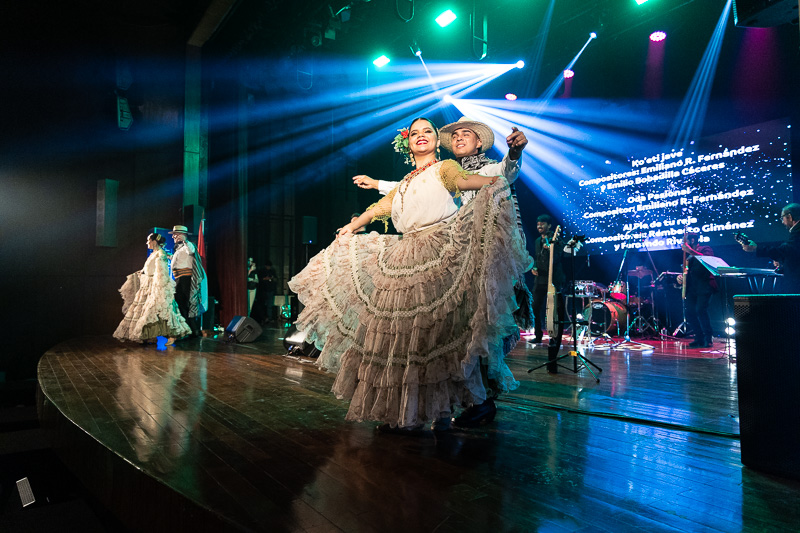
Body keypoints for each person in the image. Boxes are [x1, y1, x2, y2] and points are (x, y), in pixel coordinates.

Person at [288, 117, 532, 434]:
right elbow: (381, 206)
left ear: (434, 140)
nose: (420, 136)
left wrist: (499, 179)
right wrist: (353, 225)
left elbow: (473, 180)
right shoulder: (405, 181)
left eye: (427, 131)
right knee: (403, 340)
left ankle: (477, 400)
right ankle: (406, 412)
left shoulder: (446, 169)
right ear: (407, 143)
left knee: (444, 333)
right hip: (404, 255)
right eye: (414, 133)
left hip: (440, 251)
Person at [114, 233, 191, 344]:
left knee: (161, 310)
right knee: (147, 312)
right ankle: (150, 335)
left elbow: (162, 273)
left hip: (156, 286)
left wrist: (159, 289)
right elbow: (149, 268)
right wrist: (142, 272)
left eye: (149, 241)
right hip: (148, 285)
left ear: (154, 241)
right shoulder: (154, 253)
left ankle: (172, 335)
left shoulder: (161, 254)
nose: (147, 243)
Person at [530, 214, 566, 373]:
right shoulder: (538, 241)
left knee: (555, 313)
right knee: (534, 306)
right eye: (538, 224)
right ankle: (538, 335)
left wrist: (550, 248)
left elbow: (559, 257)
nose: (539, 226)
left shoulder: (556, 238)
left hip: (554, 279)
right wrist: (534, 267)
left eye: (542, 224)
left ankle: (554, 339)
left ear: (549, 226)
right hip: (540, 280)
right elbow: (537, 257)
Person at [742, 203, 800, 293]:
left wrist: (756, 249)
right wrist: (780, 259)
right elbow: (792, 252)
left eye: (782, 218)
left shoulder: (798, 231)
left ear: (790, 217)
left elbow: (787, 250)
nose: (782, 222)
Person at [678, 231, 716, 348]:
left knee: (701, 310)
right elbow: (687, 270)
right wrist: (681, 277)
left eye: (685, 241)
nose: (682, 244)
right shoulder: (688, 256)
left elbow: (706, 259)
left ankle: (708, 338)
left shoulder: (705, 249)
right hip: (692, 287)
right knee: (689, 312)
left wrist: (689, 250)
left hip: (704, 286)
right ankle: (698, 337)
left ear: (692, 240)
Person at [169, 225, 207, 340]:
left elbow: (191, 250)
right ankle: (190, 330)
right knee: (181, 304)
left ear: (182, 235)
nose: (173, 236)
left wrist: (185, 241)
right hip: (179, 278)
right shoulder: (179, 249)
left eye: (176, 234)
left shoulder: (188, 245)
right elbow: (179, 261)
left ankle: (191, 331)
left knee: (185, 304)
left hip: (185, 278)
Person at [252, 260, 278, 325]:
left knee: (269, 305)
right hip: (263, 290)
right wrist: (265, 279)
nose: (268, 268)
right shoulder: (262, 271)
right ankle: (264, 318)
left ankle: (269, 318)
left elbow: (275, 279)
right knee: (263, 305)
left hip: (270, 290)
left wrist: (271, 278)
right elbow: (259, 280)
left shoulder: (272, 271)